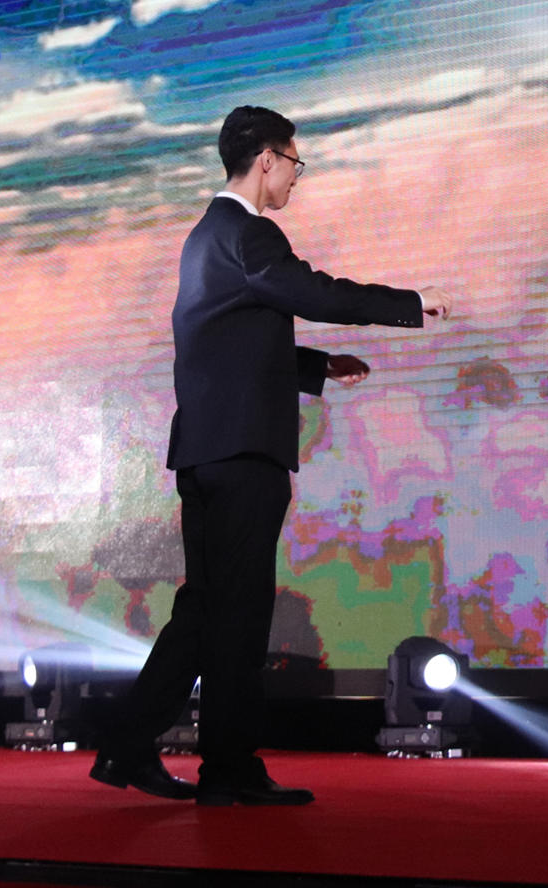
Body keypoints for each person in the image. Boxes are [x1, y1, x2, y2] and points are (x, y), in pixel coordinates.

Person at [91, 106, 451, 807]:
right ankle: (226, 770)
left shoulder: (206, 235)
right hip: (242, 453)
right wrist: (409, 301)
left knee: (206, 610)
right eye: (294, 162)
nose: (295, 177)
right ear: (266, 160)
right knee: (239, 614)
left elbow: (226, 339)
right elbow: (312, 291)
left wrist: (314, 366)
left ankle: (128, 745)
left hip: (205, 452)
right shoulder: (249, 232)